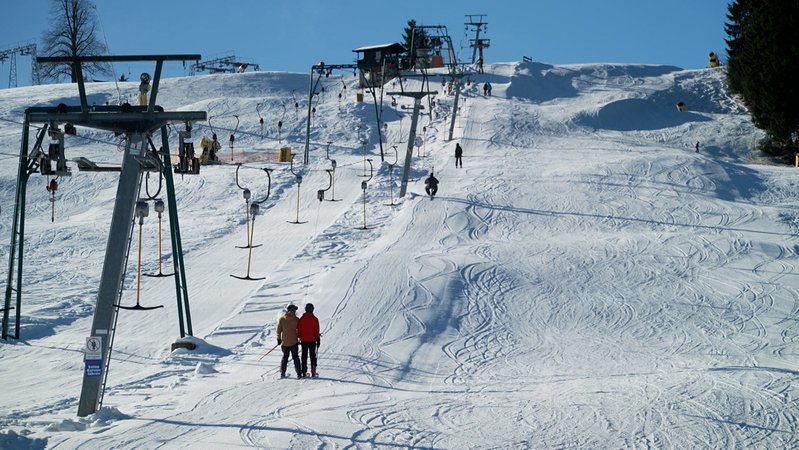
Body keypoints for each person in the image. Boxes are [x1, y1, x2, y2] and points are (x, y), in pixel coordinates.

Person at [276, 304, 302, 378]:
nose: (295, 311)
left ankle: (282, 373)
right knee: (296, 358)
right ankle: (299, 374)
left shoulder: (282, 319)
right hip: (294, 342)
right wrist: (299, 338)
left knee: (285, 358)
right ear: (292, 310)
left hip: (285, 343)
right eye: (295, 310)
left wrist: (279, 339)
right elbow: (299, 331)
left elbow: (278, 330)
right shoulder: (297, 319)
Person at [298, 303, 321, 378]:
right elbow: (316, 330)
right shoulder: (315, 319)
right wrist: (318, 339)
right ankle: (313, 371)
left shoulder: (301, 319)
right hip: (312, 340)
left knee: (304, 356)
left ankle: (304, 371)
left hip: (304, 340)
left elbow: (299, 329)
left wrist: (299, 336)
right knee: (312, 356)